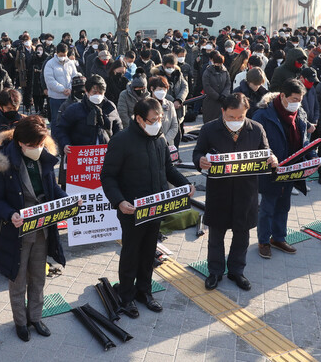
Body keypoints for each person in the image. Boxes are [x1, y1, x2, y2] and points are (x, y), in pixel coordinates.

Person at [100, 98, 193, 317]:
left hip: (157, 207)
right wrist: (119, 201)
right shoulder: (121, 140)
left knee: (149, 251)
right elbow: (108, 176)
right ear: (139, 119)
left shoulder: (159, 138)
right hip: (132, 210)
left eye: (160, 118)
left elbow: (168, 168)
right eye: (153, 119)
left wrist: (185, 184)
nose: (158, 123)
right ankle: (126, 297)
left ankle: (145, 291)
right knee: (131, 252)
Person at [0, 115, 73, 341]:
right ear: (20, 143)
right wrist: (11, 214)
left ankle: (35, 317)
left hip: (42, 227)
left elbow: (52, 188)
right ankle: (20, 322)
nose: (38, 149)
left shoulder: (43, 157)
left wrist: (69, 200)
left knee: (38, 276)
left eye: (41, 145)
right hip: (16, 230)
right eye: (33, 146)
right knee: (17, 279)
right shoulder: (2, 161)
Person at [193, 93, 277, 291]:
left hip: (246, 191)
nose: (236, 121)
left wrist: (272, 159)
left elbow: (266, 151)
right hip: (219, 191)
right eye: (231, 117)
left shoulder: (256, 128)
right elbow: (197, 152)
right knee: (216, 235)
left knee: (242, 235)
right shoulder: (209, 129)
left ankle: (237, 271)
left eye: (241, 117)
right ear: (223, 111)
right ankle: (214, 271)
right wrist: (200, 161)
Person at [252, 81, 312, 259]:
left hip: (291, 169)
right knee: (268, 207)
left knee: (284, 206)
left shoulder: (299, 113)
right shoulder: (263, 115)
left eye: (300, 100)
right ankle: (263, 241)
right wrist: (269, 156)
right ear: (282, 96)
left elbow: (305, 140)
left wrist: (312, 156)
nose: (297, 103)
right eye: (294, 99)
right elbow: (255, 142)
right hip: (271, 170)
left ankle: (278, 238)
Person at [57, 75, 122, 153]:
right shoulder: (75, 109)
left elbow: (118, 128)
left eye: (100, 92)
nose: (98, 95)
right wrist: (65, 144)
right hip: (82, 154)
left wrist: (118, 145)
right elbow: (61, 129)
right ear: (87, 92)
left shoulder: (110, 108)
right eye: (94, 92)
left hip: (105, 154)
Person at [43, 43, 79, 135]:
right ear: (56, 53)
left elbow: (75, 77)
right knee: (56, 120)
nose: (63, 57)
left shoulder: (70, 63)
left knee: (71, 119)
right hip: (56, 98)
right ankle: (56, 140)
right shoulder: (50, 64)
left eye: (65, 55)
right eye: (61, 55)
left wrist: (71, 89)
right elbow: (50, 81)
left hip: (70, 97)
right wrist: (63, 89)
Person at [148, 76, 178, 145]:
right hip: (151, 144)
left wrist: (165, 140)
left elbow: (174, 126)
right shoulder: (146, 104)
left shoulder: (170, 104)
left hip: (167, 144)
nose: (163, 92)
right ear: (152, 89)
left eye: (165, 89)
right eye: (160, 89)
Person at [202, 53, 231, 123]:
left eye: (220, 64)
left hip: (223, 101)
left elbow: (228, 84)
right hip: (211, 101)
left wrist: (224, 95)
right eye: (217, 64)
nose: (219, 66)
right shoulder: (207, 72)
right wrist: (217, 96)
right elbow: (207, 86)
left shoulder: (225, 72)